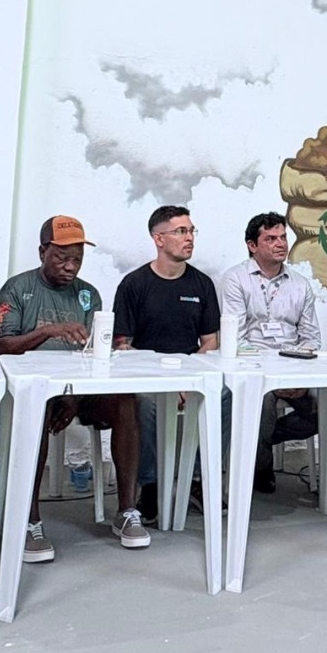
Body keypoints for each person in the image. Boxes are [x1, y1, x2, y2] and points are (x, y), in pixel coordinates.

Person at [0, 215, 148, 560]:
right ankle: (29, 519)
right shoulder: (17, 289)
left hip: (79, 391)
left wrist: (73, 397)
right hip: (32, 391)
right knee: (38, 404)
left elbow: (95, 353)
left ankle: (126, 511)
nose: (70, 266)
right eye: (61, 257)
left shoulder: (88, 295)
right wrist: (47, 331)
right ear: (42, 252)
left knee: (125, 400)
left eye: (77, 258)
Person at [112, 205, 220, 524]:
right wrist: (160, 380)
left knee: (225, 395)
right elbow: (122, 344)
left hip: (191, 374)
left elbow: (210, 342)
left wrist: (188, 379)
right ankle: (151, 484)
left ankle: (196, 478)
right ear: (158, 239)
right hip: (147, 376)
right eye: (181, 231)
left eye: (191, 231)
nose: (189, 238)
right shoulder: (134, 284)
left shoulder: (202, 284)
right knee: (144, 402)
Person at [220, 212, 321, 494]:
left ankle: (258, 444)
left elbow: (311, 338)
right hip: (252, 369)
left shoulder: (300, 284)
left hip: (293, 368)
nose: (281, 244)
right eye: (271, 238)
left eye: (283, 237)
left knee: (325, 409)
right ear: (252, 245)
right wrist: (272, 377)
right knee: (262, 402)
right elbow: (235, 339)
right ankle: (261, 466)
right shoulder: (236, 279)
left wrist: (297, 375)